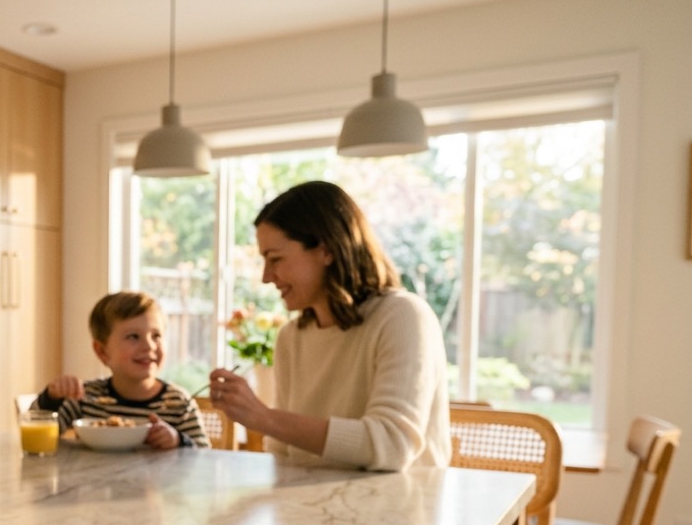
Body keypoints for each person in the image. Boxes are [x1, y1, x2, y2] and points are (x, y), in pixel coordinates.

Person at [209, 181, 450, 471]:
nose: (266, 276)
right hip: (313, 509)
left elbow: (392, 444)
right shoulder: (291, 337)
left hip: (399, 511)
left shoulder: (403, 316)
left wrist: (264, 418)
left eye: (275, 259)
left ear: (326, 250)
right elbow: (282, 454)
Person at [36, 291, 209, 450]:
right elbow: (36, 433)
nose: (149, 346)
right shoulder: (86, 397)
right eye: (133, 337)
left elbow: (204, 458)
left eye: (156, 336)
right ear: (102, 351)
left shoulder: (179, 404)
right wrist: (51, 398)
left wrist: (178, 440)